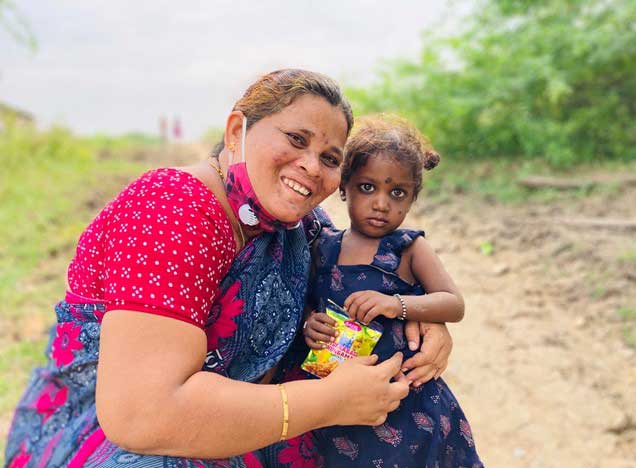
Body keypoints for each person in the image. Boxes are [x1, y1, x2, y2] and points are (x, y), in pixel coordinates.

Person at [4, 70, 453, 468]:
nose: (312, 167)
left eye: (331, 158)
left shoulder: (297, 225)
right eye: (296, 140)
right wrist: (328, 402)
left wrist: (420, 314)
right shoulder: (171, 209)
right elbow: (143, 416)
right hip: (115, 438)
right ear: (237, 130)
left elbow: (363, 270)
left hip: (249, 421)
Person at [283, 115, 482, 467]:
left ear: (412, 198)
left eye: (397, 193)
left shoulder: (408, 249)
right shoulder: (323, 248)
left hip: (410, 406)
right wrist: (310, 325)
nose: (381, 203)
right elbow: (311, 306)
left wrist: (397, 305)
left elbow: (454, 304)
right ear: (344, 187)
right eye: (367, 187)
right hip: (343, 410)